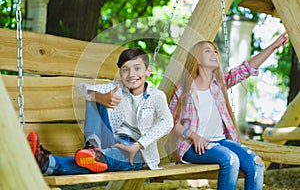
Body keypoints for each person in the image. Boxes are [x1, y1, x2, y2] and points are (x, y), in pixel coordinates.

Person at [168, 31, 288, 190]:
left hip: (221, 142)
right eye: (208, 51)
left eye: (215, 51)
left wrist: (273, 47)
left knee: (256, 164)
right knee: (230, 159)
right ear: (196, 59)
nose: (214, 54)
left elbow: (247, 68)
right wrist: (193, 136)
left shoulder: (220, 84)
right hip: (192, 146)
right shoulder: (183, 88)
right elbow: (169, 122)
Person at [27, 48, 173, 175]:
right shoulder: (116, 88)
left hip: (137, 152)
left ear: (148, 70)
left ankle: (49, 162)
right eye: (125, 69)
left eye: (137, 68)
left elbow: (167, 122)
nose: (131, 74)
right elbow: (81, 88)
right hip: (111, 139)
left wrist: (138, 144)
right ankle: (92, 146)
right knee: (92, 94)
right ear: (121, 73)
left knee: (103, 159)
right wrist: (99, 96)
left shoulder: (156, 96)